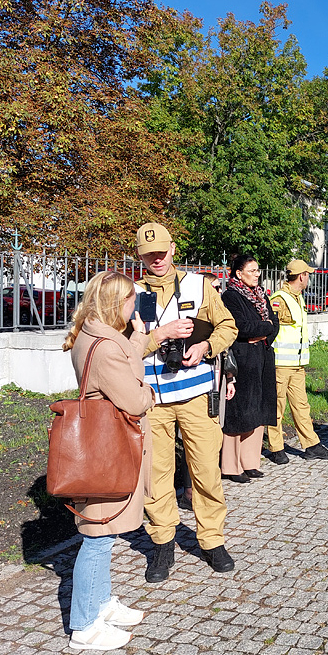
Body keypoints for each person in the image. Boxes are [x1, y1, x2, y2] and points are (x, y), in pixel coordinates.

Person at [133, 223, 239, 582]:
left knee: (207, 470)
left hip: (195, 395)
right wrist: (157, 336)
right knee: (155, 474)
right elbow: (126, 348)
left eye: (162, 250)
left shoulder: (198, 285)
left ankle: (212, 540)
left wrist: (205, 346)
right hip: (151, 400)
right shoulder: (135, 294)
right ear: (139, 256)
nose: (157, 258)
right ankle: (162, 541)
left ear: (174, 249)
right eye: (149, 254)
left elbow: (228, 327)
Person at [62, 271, 154, 650]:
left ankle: (101, 604)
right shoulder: (107, 347)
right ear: (118, 304)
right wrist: (147, 390)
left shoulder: (94, 335)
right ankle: (84, 626)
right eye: (131, 299)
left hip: (104, 447)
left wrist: (135, 340)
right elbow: (134, 399)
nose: (135, 305)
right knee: (97, 539)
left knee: (106, 534)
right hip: (105, 451)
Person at [265, 259, 328, 463]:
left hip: (297, 363)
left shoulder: (298, 298)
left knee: (302, 406)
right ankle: (276, 447)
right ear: (301, 276)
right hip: (280, 363)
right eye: (308, 274)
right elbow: (271, 329)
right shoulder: (279, 299)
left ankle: (311, 445)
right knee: (276, 407)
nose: (309, 277)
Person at [220, 254, 279, 482]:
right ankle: (231, 466)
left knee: (258, 409)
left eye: (258, 271)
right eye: (252, 271)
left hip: (261, 356)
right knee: (238, 412)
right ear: (238, 273)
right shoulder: (231, 296)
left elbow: (275, 325)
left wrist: (262, 331)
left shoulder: (262, 295)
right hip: (242, 358)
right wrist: (264, 328)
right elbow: (241, 327)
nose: (257, 275)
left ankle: (250, 462)